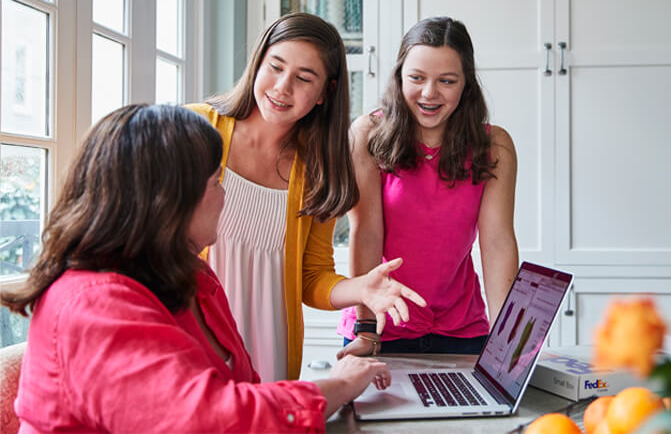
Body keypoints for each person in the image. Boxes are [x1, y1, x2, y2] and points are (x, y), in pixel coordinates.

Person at [0, 104, 392, 433]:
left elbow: (241, 391)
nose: (225, 199)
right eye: (216, 183)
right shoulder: (93, 304)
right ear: (168, 200)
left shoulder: (191, 276)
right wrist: (339, 385)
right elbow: (209, 419)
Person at [185, 12, 425, 382]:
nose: (282, 87)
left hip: (270, 355)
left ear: (324, 93)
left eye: (303, 78)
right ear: (257, 63)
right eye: (275, 67)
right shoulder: (196, 130)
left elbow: (312, 278)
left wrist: (360, 287)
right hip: (192, 344)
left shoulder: (318, 172)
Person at [337, 17, 519, 357]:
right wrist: (366, 329)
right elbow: (366, 234)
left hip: (461, 328)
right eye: (416, 78)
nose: (429, 93)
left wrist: (506, 344)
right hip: (381, 324)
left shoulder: (495, 146)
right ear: (400, 76)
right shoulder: (367, 136)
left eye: (446, 81)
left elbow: (497, 242)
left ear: (466, 85)